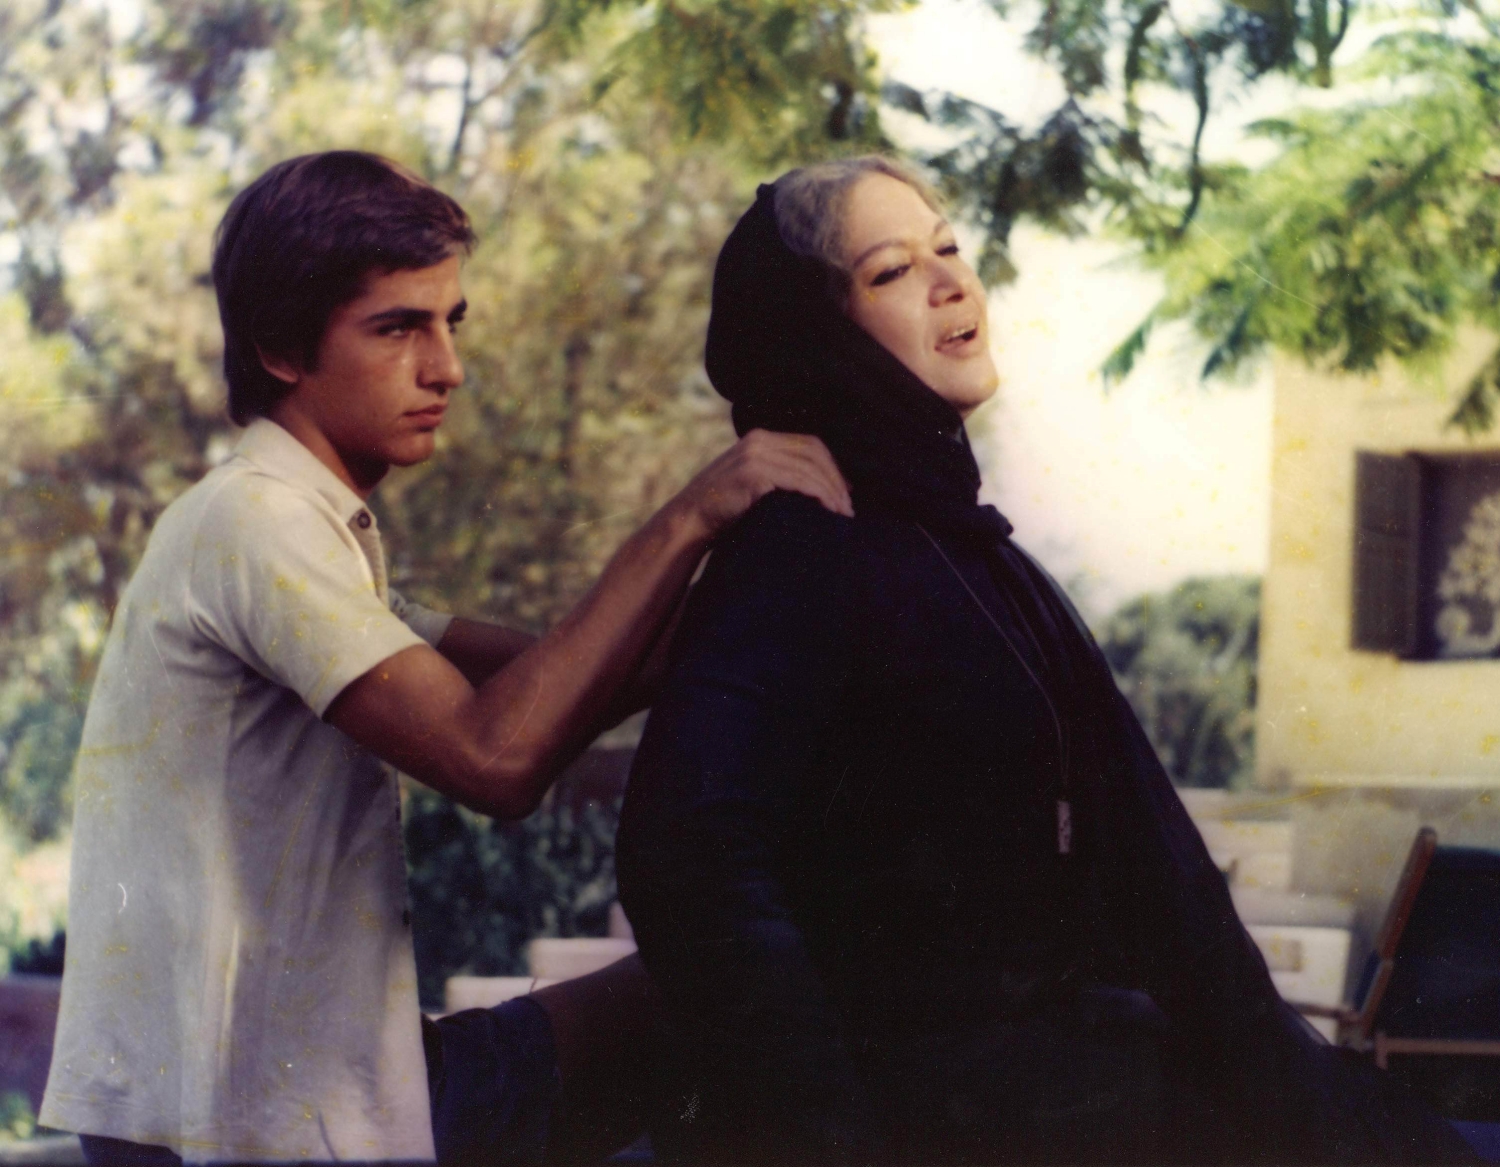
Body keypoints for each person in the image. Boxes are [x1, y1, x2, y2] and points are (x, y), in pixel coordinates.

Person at [615, 157, 1479, 1164]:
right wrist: (822, 1135)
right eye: (892, 271)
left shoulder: (972, 552)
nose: (951, 283)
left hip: (1065, 1091)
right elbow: (689, 852)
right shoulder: (806, 544)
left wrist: (1295, 1090)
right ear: (816, 332)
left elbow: (1162, 875)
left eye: (949, 248)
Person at [38, 150, 852, 1166]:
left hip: (267, 1101)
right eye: (398, 329)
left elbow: (564, 678)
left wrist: (784, 565)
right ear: (281, 347)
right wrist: (693, 514)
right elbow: (496, 758)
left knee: (694, 987)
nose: (447, 368)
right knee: (727, 980)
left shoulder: (310, 532)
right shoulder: (257, 522)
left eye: (450, 323)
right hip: (243, 1130)